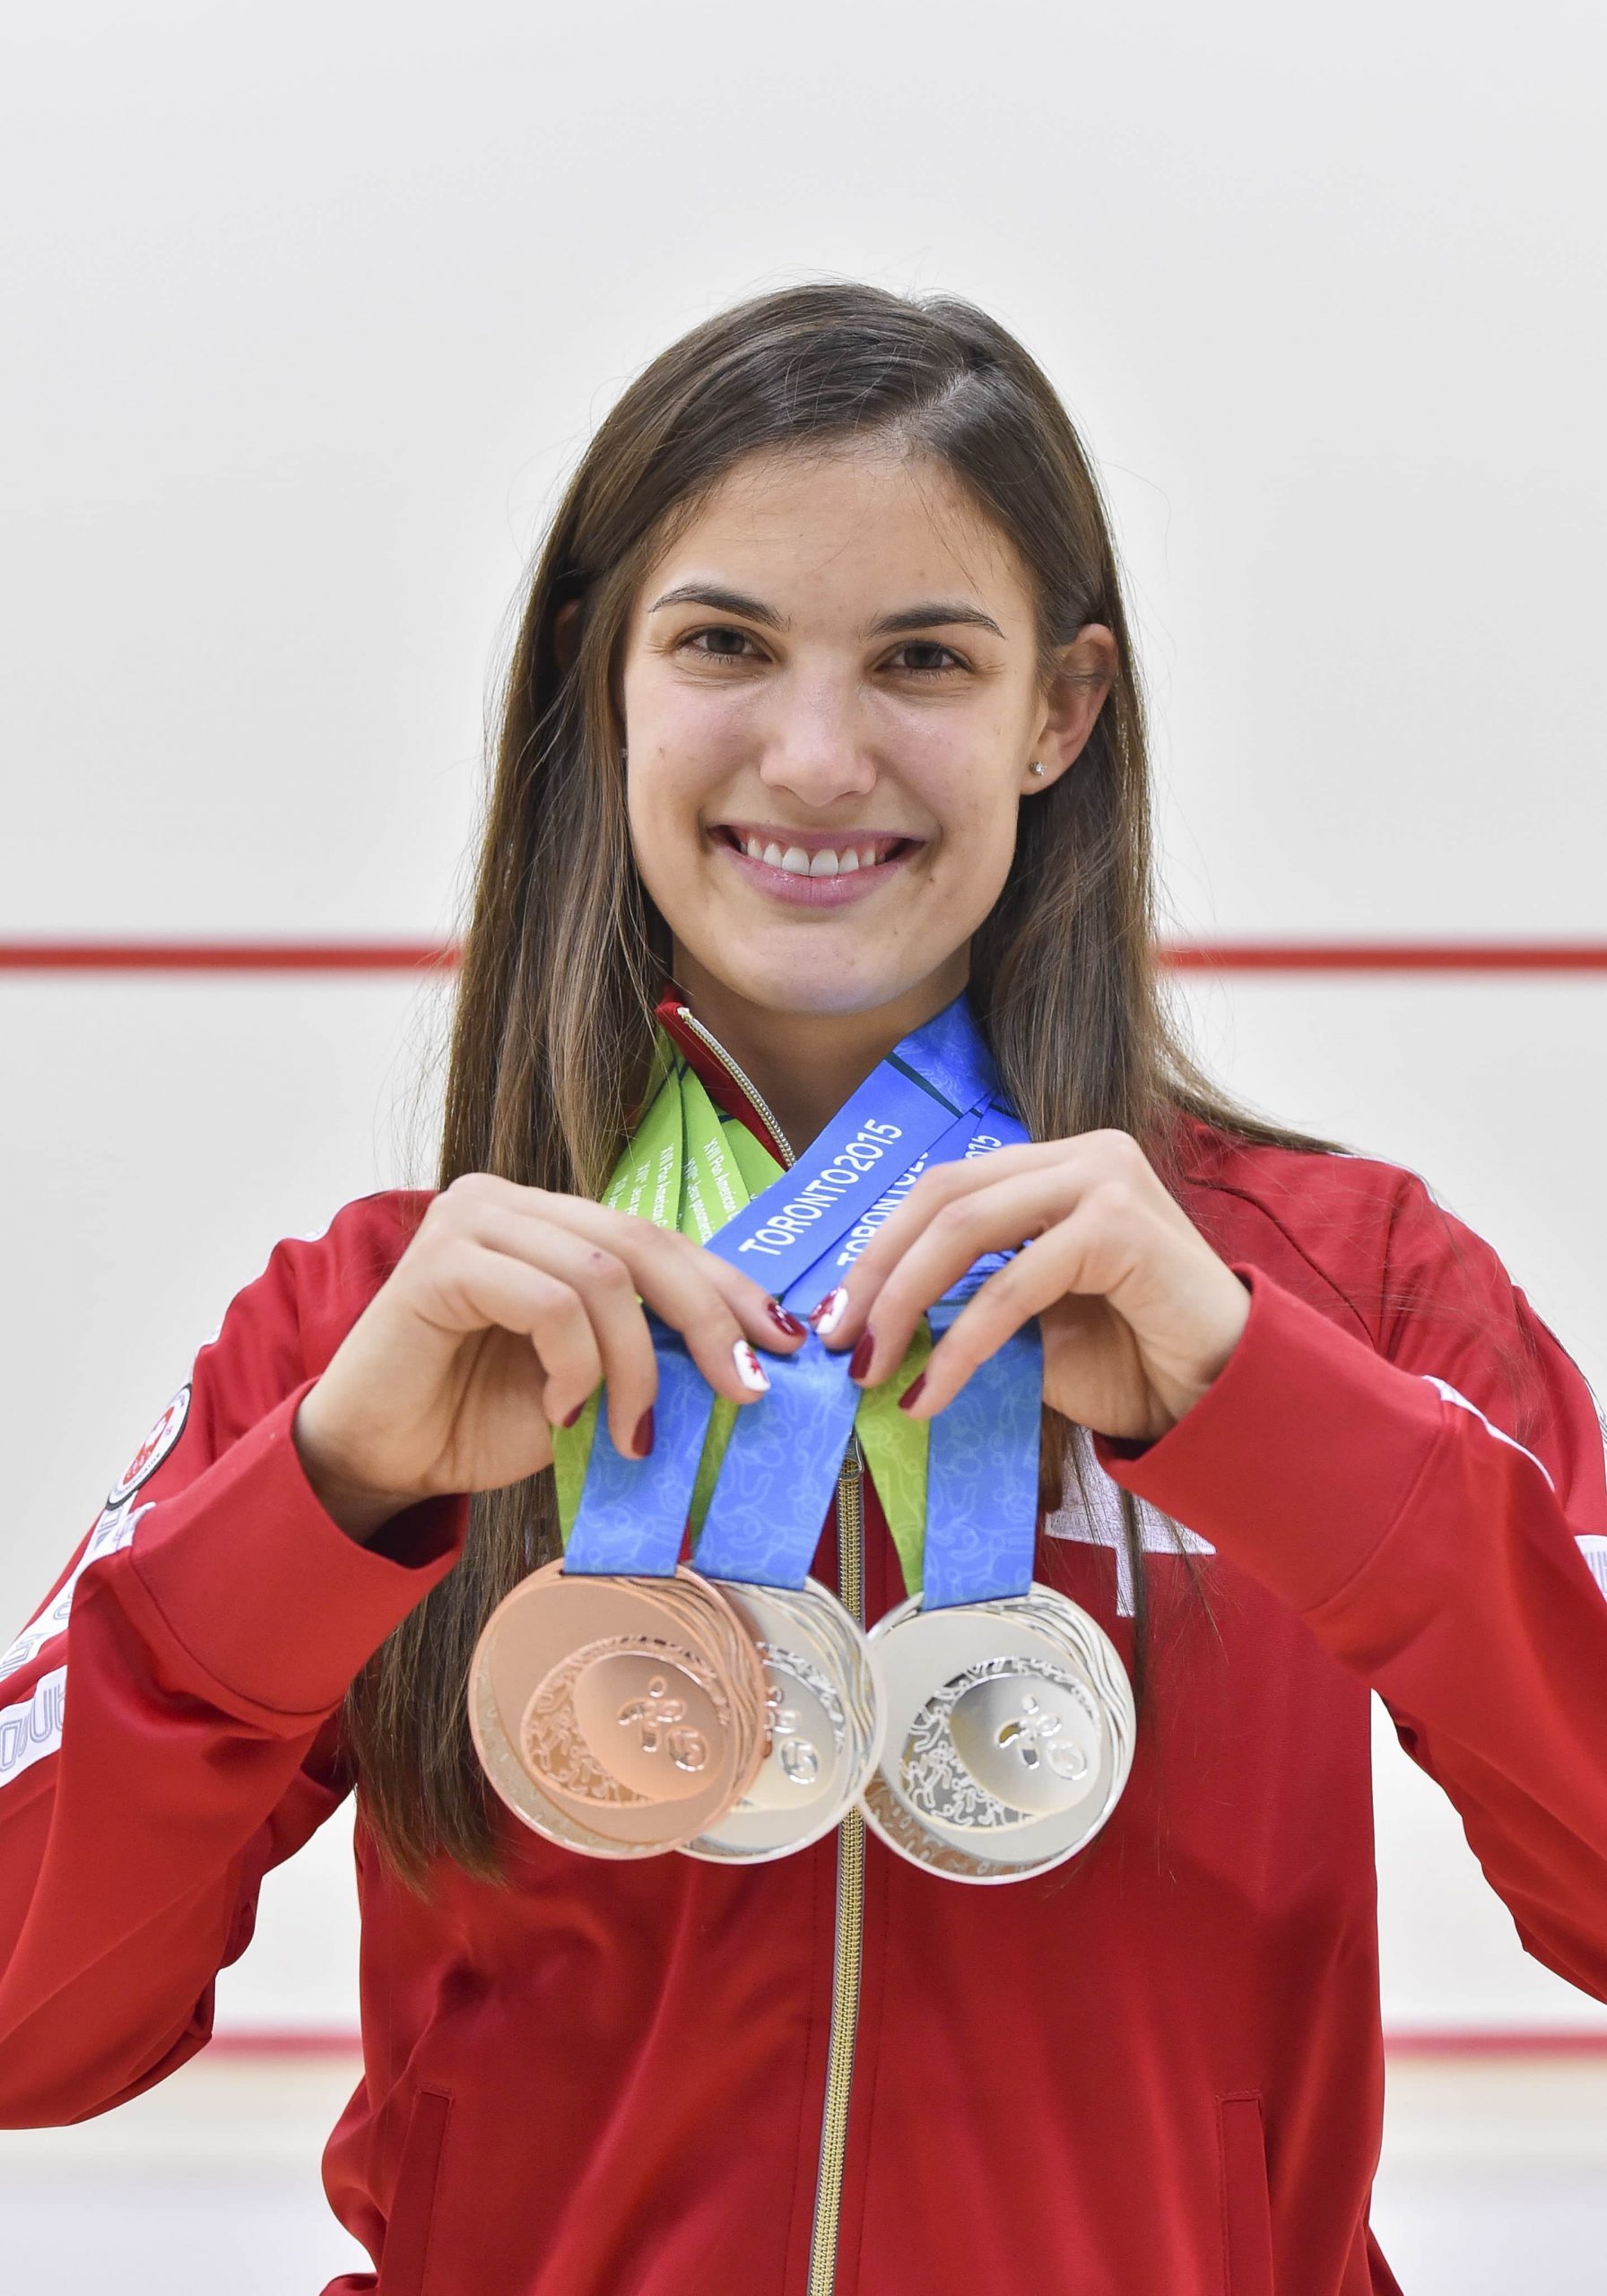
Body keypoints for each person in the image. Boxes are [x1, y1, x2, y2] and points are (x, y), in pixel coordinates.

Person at [3, 281, 1605, 2296]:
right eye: (724, 644)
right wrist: (320, 1501)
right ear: (601, 682)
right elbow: (25, 2023)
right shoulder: (381, 1327)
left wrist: (1264, 1410)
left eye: (921, 657)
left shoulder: (1331, 1289)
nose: (817, 752)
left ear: (1061, 707)